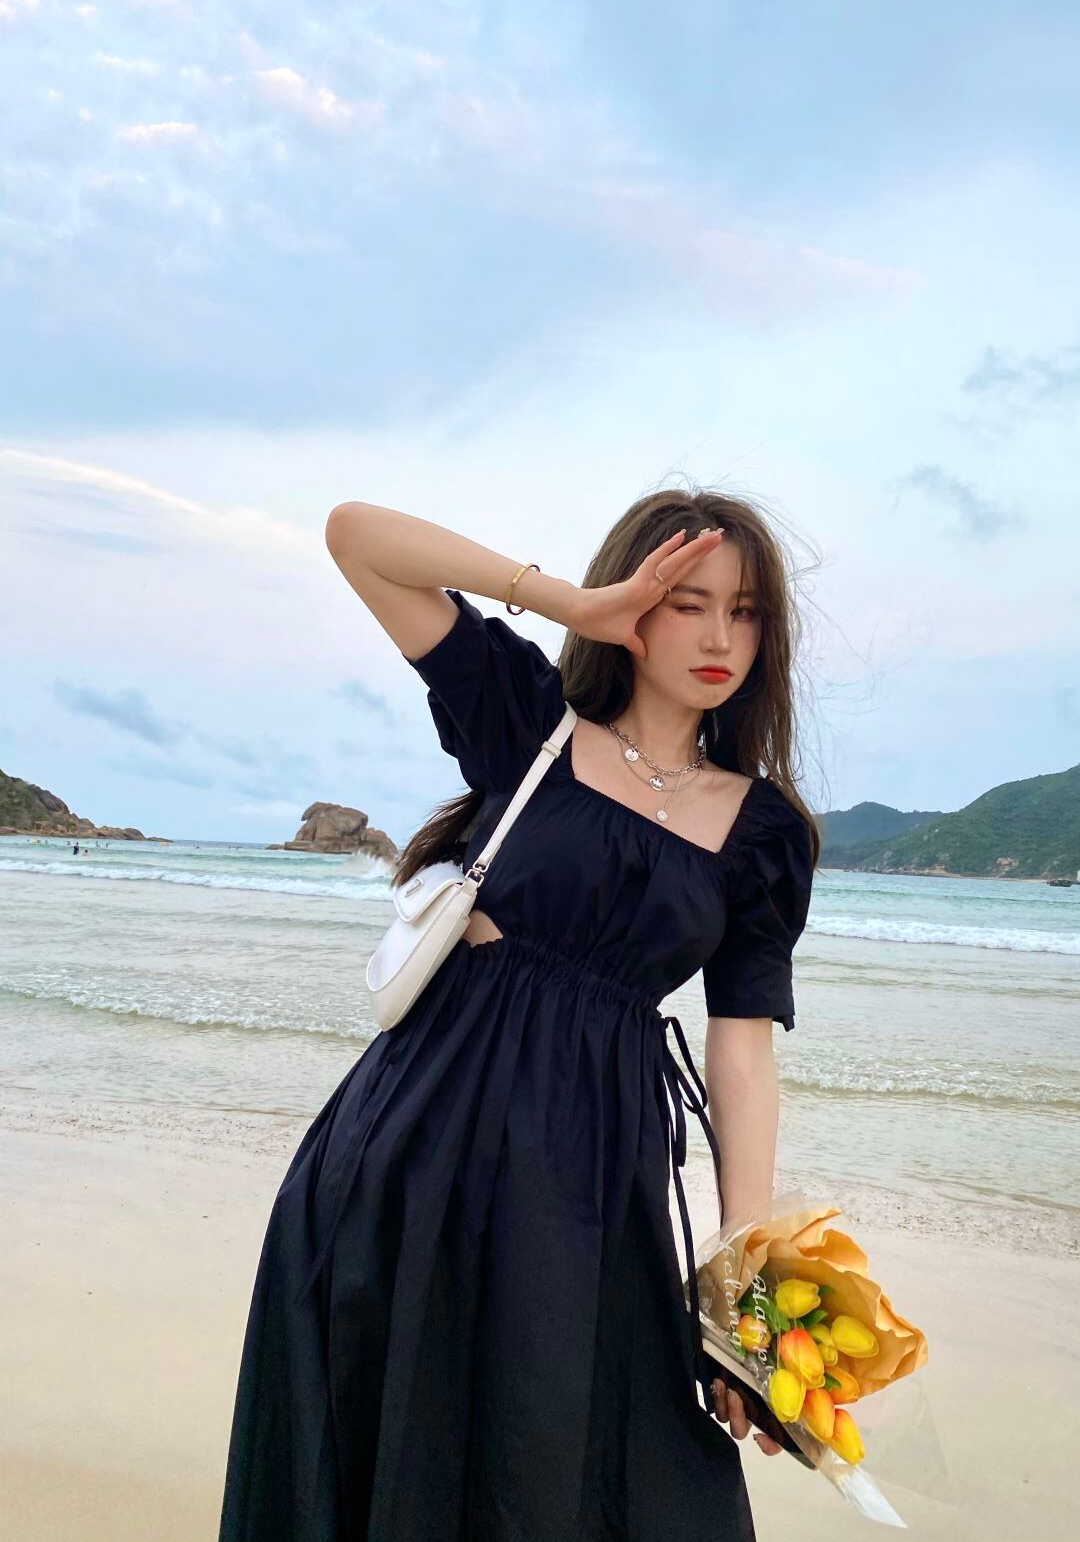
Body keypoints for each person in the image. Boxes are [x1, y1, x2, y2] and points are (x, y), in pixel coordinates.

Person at [219, 488, 821, 1541]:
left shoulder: (763, 835)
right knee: (390, 1440)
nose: (720, 637)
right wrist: (569, 603)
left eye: (746, 611)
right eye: (687, 602)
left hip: (593, 1189)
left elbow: (742, 1055)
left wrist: (745, 1287)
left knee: (597, 1469)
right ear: (635, 601)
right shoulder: (529, 724)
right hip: (417, 1151)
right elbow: (357, 536)